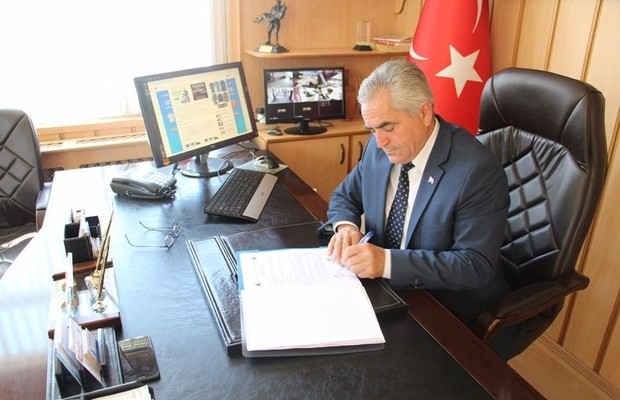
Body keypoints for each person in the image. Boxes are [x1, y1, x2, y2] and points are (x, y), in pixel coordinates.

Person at [325, 59, 522, 359]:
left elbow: (474, 265)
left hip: (447, 308)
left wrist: (386, 262)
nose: (379, 142)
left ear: (424, 112)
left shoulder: (476, 172)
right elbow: (344, 196)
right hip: (387, 292)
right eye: (372, 129)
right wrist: (346, 228)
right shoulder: (379, 146)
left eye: (388, 127)